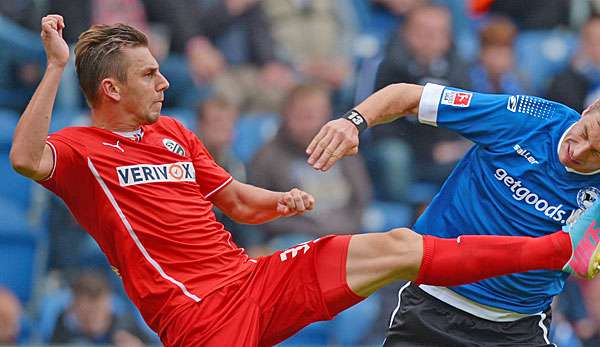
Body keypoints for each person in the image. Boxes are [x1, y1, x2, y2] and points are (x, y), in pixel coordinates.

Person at [9, 15, 600, 346]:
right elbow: (25, 159)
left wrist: (282, 202)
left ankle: (551, 249)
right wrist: (57, 66)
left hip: (253, 281)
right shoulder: (80, 151)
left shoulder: (176, 135)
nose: (165, 83)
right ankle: (553, 250)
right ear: (110, 89)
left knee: (393, 246)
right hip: (200, 317)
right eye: (150, 73)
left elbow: (238, 202)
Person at [306, 82, 600, 346]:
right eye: (585, 132)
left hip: (516, 328)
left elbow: (582, 258)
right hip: (431, 305)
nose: (579, 151)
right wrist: (353, 122)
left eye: (597, 153)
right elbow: (407, 96)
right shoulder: (527, 117)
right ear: (588, 109)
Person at [50, 270, 149, 346]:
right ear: (73, 307)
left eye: (97, 312)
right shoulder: (63, 326)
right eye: (86, 314)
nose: (92, 318)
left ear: (108, 305)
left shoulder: (126, 326)